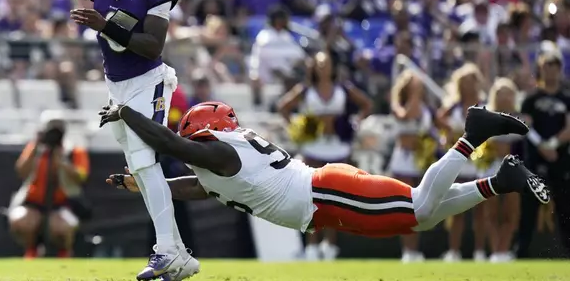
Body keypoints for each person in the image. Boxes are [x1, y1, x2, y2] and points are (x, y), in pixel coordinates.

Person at [15, 0, 199, 279]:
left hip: (149, 80)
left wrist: (106, 24)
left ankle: (167, 251)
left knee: (146, 164)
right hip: (117, 86)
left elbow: (151, 46)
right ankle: (179, 254)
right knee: (141, 169)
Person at [101, 102, 550, 247]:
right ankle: (500, 181)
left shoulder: (219, 152)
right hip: (323, 202)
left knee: (418, 208)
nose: (190, 142)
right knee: (425, 216)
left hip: (326, 193)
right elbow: (196, 188)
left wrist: (126, 113)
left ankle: (471, 136)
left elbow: (170, 145)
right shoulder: (219, 162)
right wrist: (138, 181)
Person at [278, 51, 373, 261]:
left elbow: (367, 105)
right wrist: (297, 128)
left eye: (327, 63)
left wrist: (354, 123)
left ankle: (330, 245)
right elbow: (283, 107)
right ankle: (312, 245)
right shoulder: (306, 89)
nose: (323, 67)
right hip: (313, 148)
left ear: (333, 67)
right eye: (319, 63)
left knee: (335, 199)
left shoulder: (343, 88)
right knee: (311, 197)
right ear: (314, 67)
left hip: (338, 148)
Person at [8, 118, 89, 258]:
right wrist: (35, 148)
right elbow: (20, 171)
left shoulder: (74, 151)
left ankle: (64, 254)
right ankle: (31, 251)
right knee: (21, 221)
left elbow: (82, 177)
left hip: (62, 204)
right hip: (33, 203)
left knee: (61, 227)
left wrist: (63, 162)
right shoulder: (36, 149)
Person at [518, 44, 570, 257]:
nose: (551, 69)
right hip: (535, 159)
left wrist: (553, 145)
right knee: (529, 207)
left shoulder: (567, 98)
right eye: (547, 65)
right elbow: (526, 125)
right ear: (541, 68)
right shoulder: (531, 99)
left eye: (555, 65)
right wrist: (542, 146)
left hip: (561, 158)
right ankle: (521, 250)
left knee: (565, 207)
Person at [436, 63, 487, 262]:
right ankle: (454, 251)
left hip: (481, 164)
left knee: (480, 211)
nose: (468, 86)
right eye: (464, 82)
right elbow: (438, 120)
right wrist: (451, 132)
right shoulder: (454, 107)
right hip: (459, 164)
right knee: (455, 209)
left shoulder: (485, 105)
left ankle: (480, 252)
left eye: (472, 81)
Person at [388, 70, 436, 263]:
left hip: (420, 162)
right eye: (414, 86)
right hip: (403, 162)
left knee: (420, 209)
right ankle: (407, 250)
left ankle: (415, 250)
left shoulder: (426, 108)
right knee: (406, 208)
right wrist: (415, 96)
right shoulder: (397, 106)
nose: (418, 89)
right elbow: (407, 114)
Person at [474, 78, 522, 262]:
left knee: (512, 212)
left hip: (515, 169)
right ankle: (495, 251)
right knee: (491, 213)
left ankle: (503, 250)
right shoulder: (486, 116)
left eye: (508, 92)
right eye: (500, 92)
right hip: (490, 169)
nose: (504, 96)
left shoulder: (521, 118)